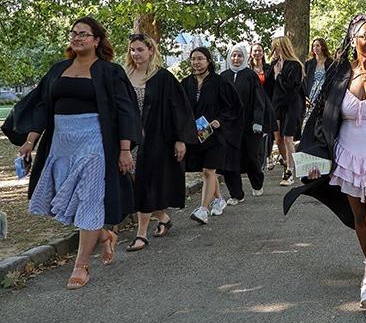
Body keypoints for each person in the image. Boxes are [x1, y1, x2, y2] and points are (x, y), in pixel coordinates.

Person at [283, 14, 366, 311]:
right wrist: (314, 158)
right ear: (353, 40)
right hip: (346, 156)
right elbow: (320, 120)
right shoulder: (338, 76)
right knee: (358, 219)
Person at [3, 17, 140, 289]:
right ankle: (103, 235)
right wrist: (31, 140)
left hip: (94, 142)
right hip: (61, 143)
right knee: (66, 199)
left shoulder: (109, 72)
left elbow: (126, 110)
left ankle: (81, 265)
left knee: (89, 199)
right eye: (74, 33)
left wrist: (125, 149)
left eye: (84, 34)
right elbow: (42, 106)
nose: (77, 38)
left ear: (96, 40)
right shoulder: (58, 70)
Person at [123, 33, 196, 251]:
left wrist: (180, 140)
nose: (136, 54)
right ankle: (163, 217)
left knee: (145, 183)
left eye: (140, 49)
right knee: (136, 183)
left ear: (151, 51)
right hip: (129, 140)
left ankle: (141, 234)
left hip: (156, 140)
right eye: (132, 49)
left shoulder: (162, 77)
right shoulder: (124, 75)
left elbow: (179, 109)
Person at [182, 47, 241, 225]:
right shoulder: (186, 83)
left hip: (216, 135)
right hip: (196, 134)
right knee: (205, 171)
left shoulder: (220, 82)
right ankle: (219, 199)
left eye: (200, 59)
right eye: (193, 59)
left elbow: (234, 106)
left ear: (208, 61)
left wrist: (220, 121)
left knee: (209, 171)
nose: (196, 63)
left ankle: (202, 210)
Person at [220, 44, 268, 205]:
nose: (236, 59)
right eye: (233, 56)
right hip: (228, 126)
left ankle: (257, 183)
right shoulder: (223, 76)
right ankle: (236, 194)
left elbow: (259, 100)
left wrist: (258, 121)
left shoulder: (250, 75)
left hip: (249, 125)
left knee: (250, 157)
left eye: (239, 56)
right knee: (229, 160)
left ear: (245, 57)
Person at [269, 35, 306, 186]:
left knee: (288, 138)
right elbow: (270, 88)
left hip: (292, 105)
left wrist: (279, 75)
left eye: (277, 47)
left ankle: (290, 170)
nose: (275, 50)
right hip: (276, 105)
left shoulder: (295, 65)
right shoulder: (274, 64)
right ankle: (286, 162)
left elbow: (290, 89)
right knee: (278, 139)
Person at [250, 42, 277, 170]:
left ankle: (268, 154)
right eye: (255, 51)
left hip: (267, 103)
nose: (257, 53)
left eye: (259, 50)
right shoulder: (247, 70)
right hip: (252, 104)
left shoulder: (268, 68)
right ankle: (257, 157)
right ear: (251, 53)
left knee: (268, 131)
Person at [304, 37, 332, 112]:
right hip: (310, 95)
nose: (315, 48)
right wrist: (304, 96)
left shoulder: (331, 63)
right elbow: (304, 81)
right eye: (313, 46)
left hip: (324, 95)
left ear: (323, 47)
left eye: (317, 46)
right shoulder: (309, 64)